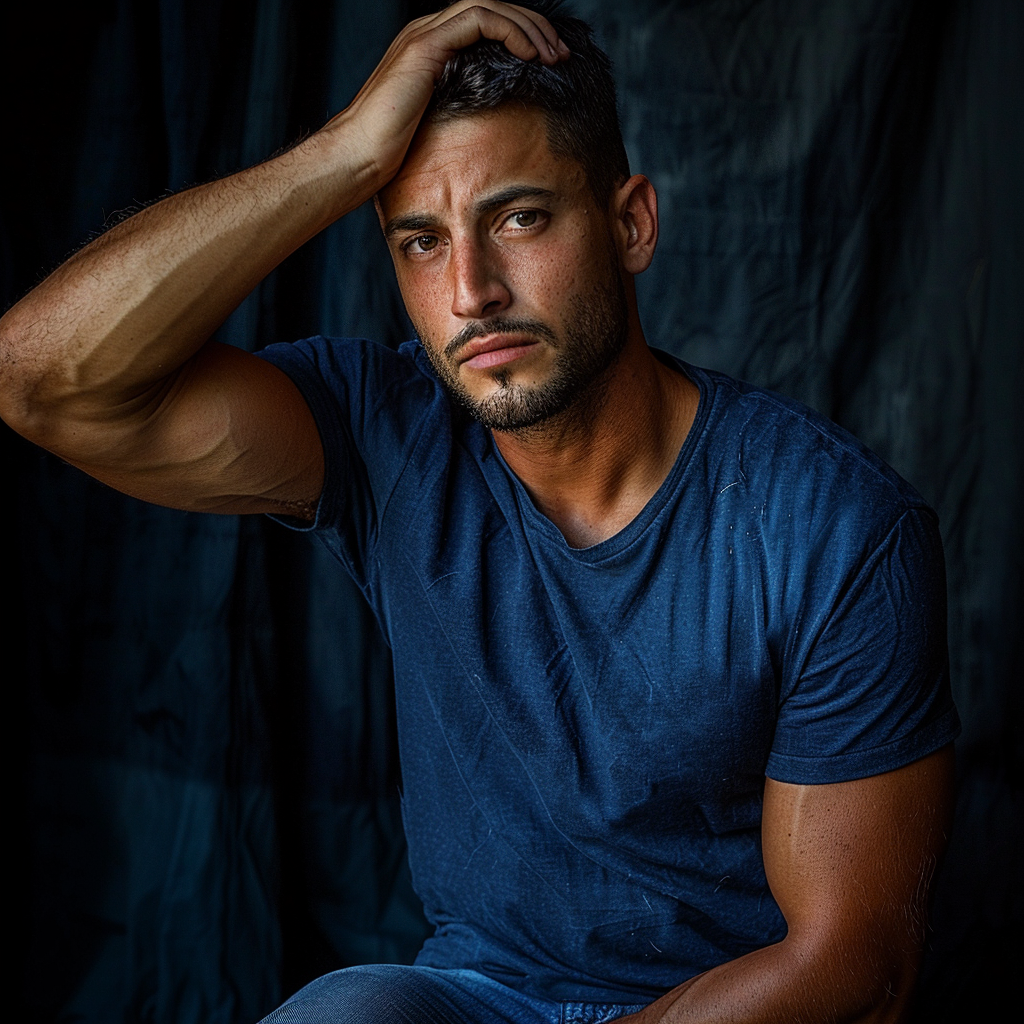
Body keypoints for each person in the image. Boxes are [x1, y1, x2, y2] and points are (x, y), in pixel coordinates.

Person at [0, 2, 960, 1022]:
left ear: (629, 223)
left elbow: (854, 970)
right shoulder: (386, 432)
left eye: (518, 218)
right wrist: (343, 152)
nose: (469, 291)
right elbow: (42, 379)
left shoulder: (833, 528)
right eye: (419, 240)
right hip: (475, 999)